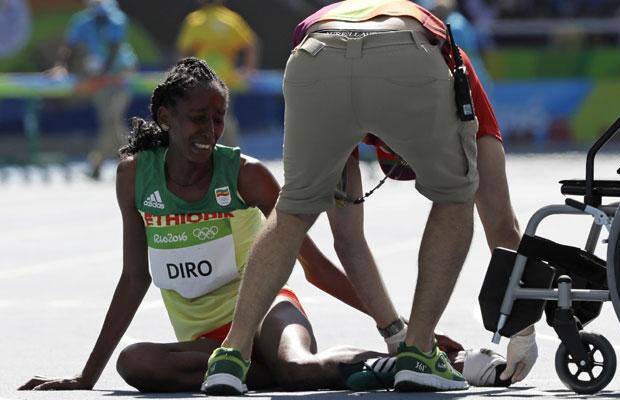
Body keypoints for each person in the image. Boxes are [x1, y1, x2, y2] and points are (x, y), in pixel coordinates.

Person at [202, 0, 536, 395]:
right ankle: (422, 353)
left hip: (314, 55)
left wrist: (393, 331)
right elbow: (501, 221)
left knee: (293, 211)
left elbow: (347, 236)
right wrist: (523, 332)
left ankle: (229, 357)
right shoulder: (455, 67)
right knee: (454, 195)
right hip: (404, 53)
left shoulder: (358, 98)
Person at [18, 57, 392, 393]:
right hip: (204, 340)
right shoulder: (134, 176)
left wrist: (401, 330)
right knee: (134, 363)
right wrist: (87, 377)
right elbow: (135, 277)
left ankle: (399, 361)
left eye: (219, 118)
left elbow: (313, 265)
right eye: (199, 118)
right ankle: (254, 372)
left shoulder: (247, 175)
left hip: (267, 313)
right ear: (166, 118)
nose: (211, 130)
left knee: (297, 365)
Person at [47, 0, 137, 180]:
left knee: (112, 119)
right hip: (98, 76)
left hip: (120, 74)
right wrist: (61, 66)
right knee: (110, 122)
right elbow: (69, 48)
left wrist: (100, 76)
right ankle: (135, 160)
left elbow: (113, 50)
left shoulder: (117, 19)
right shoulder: (82, 21)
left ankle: (102, 163)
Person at [176, 0, 259, 147]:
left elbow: (183, 52)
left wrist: (182, 75)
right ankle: (231, 151)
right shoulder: (231, 19)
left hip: (201, 78)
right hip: (226, 78)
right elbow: (251, 45)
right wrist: (248, 70)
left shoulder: (195, 20)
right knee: (224, 115)